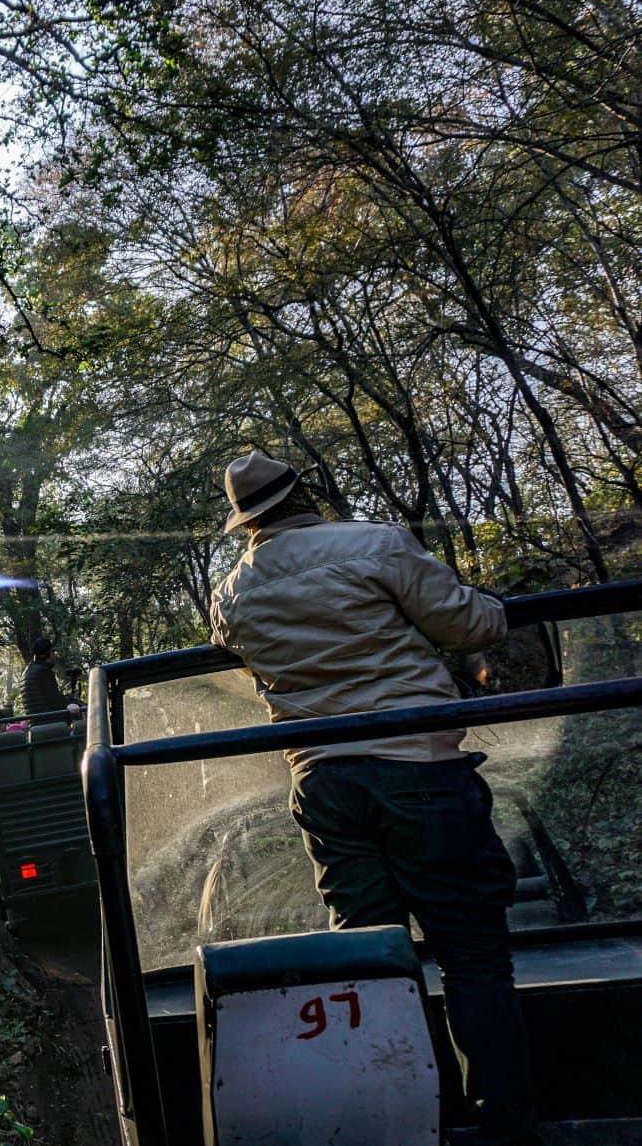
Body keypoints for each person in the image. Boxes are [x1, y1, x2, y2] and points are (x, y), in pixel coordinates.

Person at [208, 450, 534, 1146]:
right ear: (306, 493)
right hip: (417, 765)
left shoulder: (231, 592)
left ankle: (419, 1123)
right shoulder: (375, 543)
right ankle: (503, 1128)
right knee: (473, 955)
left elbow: (232, 646)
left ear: (246, 523)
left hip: (324, 783)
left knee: (373, 961)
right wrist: (490, 612)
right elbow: (469, 625)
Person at [20, 636, 70, 722]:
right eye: (53, 651)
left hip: (37, 723)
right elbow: (56, 703)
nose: (55, 655)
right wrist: (71, 700)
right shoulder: (43, 672)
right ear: (48, 653)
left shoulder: (27, 671)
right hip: (50, 722)